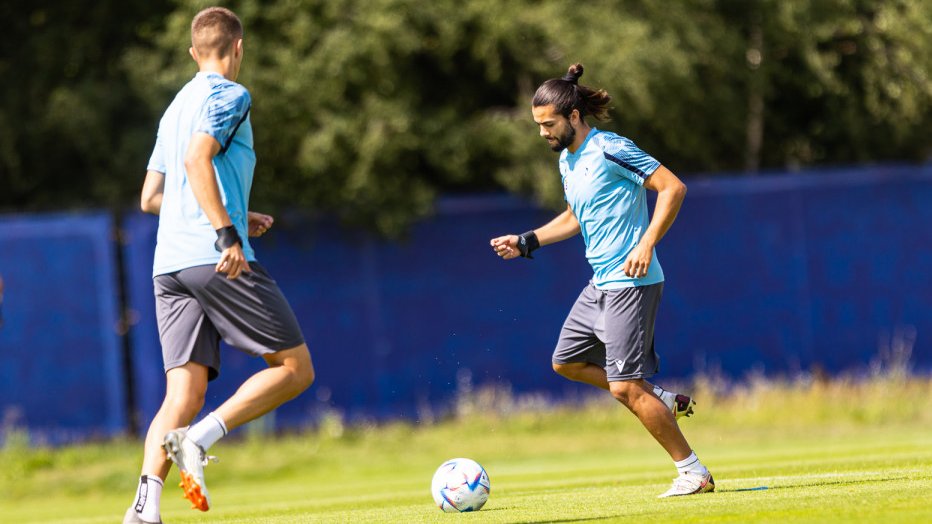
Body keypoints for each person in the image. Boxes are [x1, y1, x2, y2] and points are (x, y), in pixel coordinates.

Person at [124, 7, 315, 523]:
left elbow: (150, 197)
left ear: (192, 53)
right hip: (216, 258)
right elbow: (197, 160)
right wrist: (226, 231)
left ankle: (144, 509)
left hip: (169, 268)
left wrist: (232, 209)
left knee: (181, 394)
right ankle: (201, 439)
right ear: (239, 48)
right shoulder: (230, 94)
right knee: (295, 370)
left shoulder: (175, 105)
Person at [490, 63, 713, 498]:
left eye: (548, 124)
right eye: (538, 125)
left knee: (625, 387)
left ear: (574, 117)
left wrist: (646, 242)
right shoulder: (568, 162)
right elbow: (575, 217)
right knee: (566, 361)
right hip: (601, 283)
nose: (542, 134)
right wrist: (526, 240)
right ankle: (663, 399)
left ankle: (693, 471)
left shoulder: (612, 148)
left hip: (633, 281)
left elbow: (672, 188)